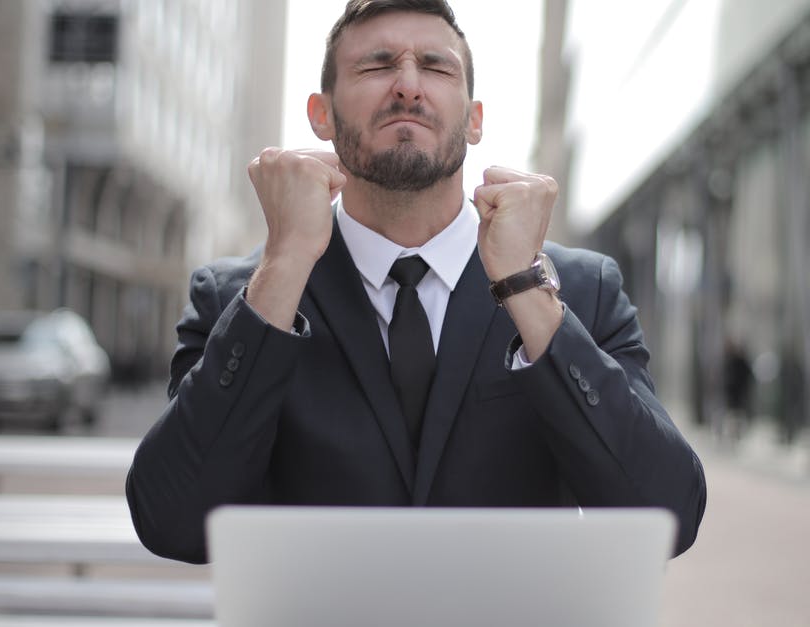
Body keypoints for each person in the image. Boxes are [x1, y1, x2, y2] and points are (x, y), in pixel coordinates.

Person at [126, 0, 706, 565]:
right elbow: (172, 521)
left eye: (435, 67)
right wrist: (283, 267)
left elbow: (666, 518)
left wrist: (526, 290)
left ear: (474, 119)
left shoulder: (579, 290)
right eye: (377, 66)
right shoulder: (240, 299)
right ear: (320, 113)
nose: (407, 85)